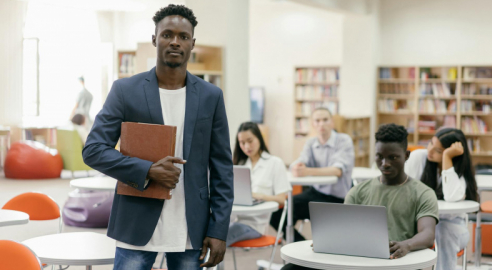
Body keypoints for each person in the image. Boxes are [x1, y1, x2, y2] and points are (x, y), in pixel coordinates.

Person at [82, 5, 233, 270]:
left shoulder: (211, 96)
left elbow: (222, 168)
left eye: (183, 37)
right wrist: (147, 170)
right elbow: (93, 149)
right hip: (135, 220)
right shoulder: (125, 90)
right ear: (155, 39)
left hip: (191, 226)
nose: (175, 41)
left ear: (192, 43)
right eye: (167, 34)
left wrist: (219, 229)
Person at [281, 123, 438, 270]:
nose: (385, 163)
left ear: (406, 155)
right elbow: (345, 230)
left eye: (393, 157)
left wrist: (406, 245)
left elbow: (427, 234)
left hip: (397, 264)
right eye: (379, 157)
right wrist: (330, 241)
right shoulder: (358, 191)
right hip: (357, 262)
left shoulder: (423, 193)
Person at [270, 107, 354, 242]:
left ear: (332, 122)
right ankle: (302, 247)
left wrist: (307, 171)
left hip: (338, 199)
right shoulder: (311, 142)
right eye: (317, 120)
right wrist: (297, 166)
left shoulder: (344, 140)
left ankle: (316, 250)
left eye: (325, 120)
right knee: (278, 214)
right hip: (315, 193)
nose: (321, 124)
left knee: (325, 233)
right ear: (313, 124)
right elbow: (302, 160)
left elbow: (336, 171)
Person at [405, 128, 478, 270]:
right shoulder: (418, 157)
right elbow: (404, 191)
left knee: (442, 231)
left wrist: (446, 158)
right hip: (421, 224)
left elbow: (451, 196)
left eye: (438, 151)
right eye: (431, 143)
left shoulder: (459, 172)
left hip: (452, 226)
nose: (430, 151)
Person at [227, 122, 292, 246]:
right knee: (208, 231)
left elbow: (282, 200)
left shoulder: (275, 163)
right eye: (242, 142)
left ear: (259, 138)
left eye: (250, 141)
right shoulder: (239, 165)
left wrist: (259, 195)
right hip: (232, 219)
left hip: (255, 226)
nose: (247, 146)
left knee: (216, 238)